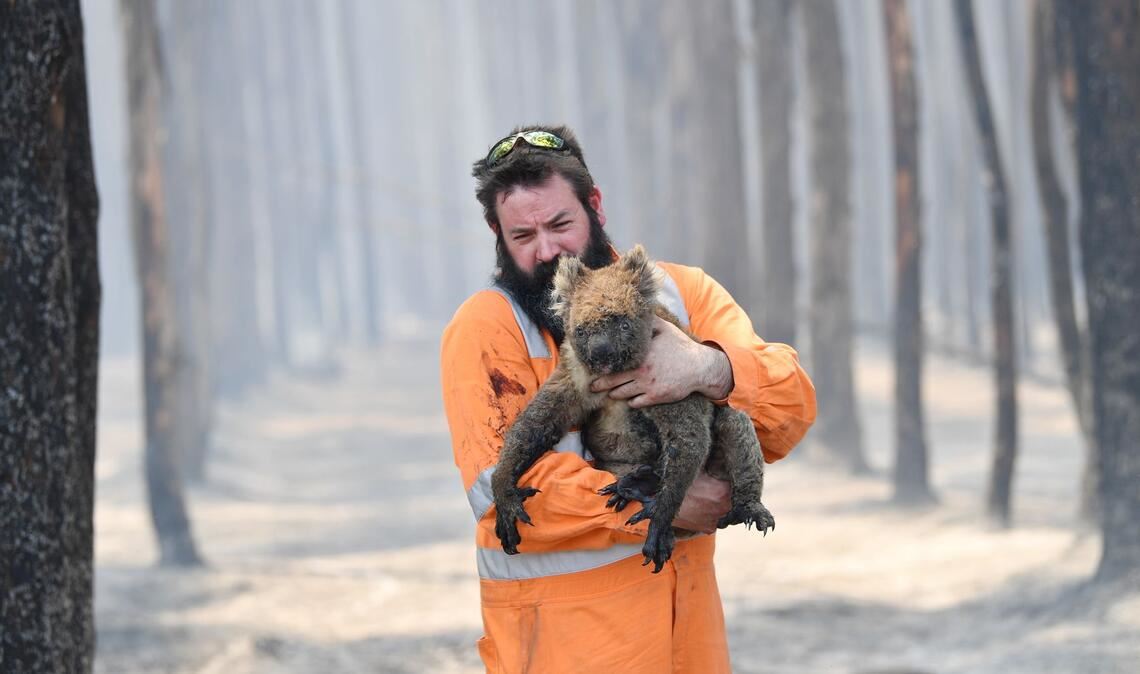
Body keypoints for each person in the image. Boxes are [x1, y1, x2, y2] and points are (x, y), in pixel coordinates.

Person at [440, 124, 816, 673]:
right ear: (496, 233)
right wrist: (655, 504)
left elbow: (792, 409)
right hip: (562, 653)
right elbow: (497, 485)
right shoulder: (488, 327)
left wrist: (710, 368)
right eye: (523, 235)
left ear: (594, 205)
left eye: (560, 225)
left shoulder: (680, 294)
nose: (547, 251)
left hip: (689, 647)